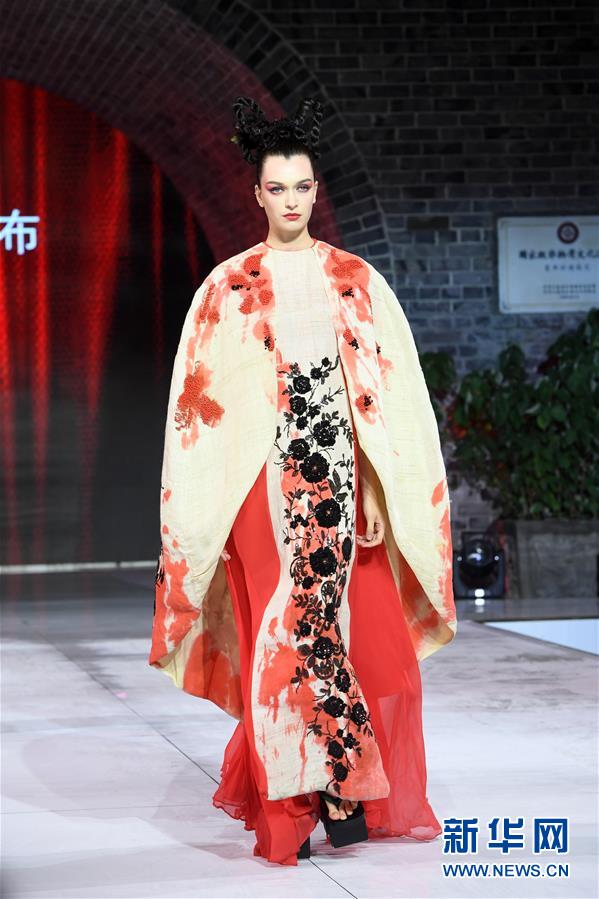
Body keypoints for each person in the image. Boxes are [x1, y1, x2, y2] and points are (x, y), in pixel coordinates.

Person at [148, 96, 457, 866]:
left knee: (353, 637)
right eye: (276, 187)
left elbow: (386, 403)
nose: (290, 200)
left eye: (302, 186)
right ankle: (302, 802)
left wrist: (377, 490)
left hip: (341, 481)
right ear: (256, 193)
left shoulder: (356, 281)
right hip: (261, 491)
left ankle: (337, 781)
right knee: (284, 633)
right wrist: (212, 510)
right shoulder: (226, 288)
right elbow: (201, 408)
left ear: (317, 191)